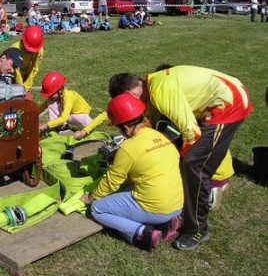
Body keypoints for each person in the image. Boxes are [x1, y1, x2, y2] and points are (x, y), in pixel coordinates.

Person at [108, 66, 252, 251]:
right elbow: (149, 127)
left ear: (130, 94)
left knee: (194, 165)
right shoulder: (150, 88)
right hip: (223, 97)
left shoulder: (161, 92)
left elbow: (191, 132)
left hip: (229, 104)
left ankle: (197, 230)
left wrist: (171, 156)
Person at [80, 93, 183, 252]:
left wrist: (91, 197)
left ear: (126, 127)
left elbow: (111, 182)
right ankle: (170, 220)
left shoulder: (129, 147)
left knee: (97, 209)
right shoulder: (159, 136)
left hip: (156, 206)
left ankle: (143, 233)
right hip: (177, 203)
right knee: (128, 191)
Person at [11, 25, 44, 99]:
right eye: (28, 50)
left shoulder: (39, 50)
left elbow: (34, 68)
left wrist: (27, 86)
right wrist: (21, 88)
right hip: (12, 75)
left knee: (27, 100)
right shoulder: (15, 49)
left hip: (25, 74)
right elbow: (15, 71)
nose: (31, 52)